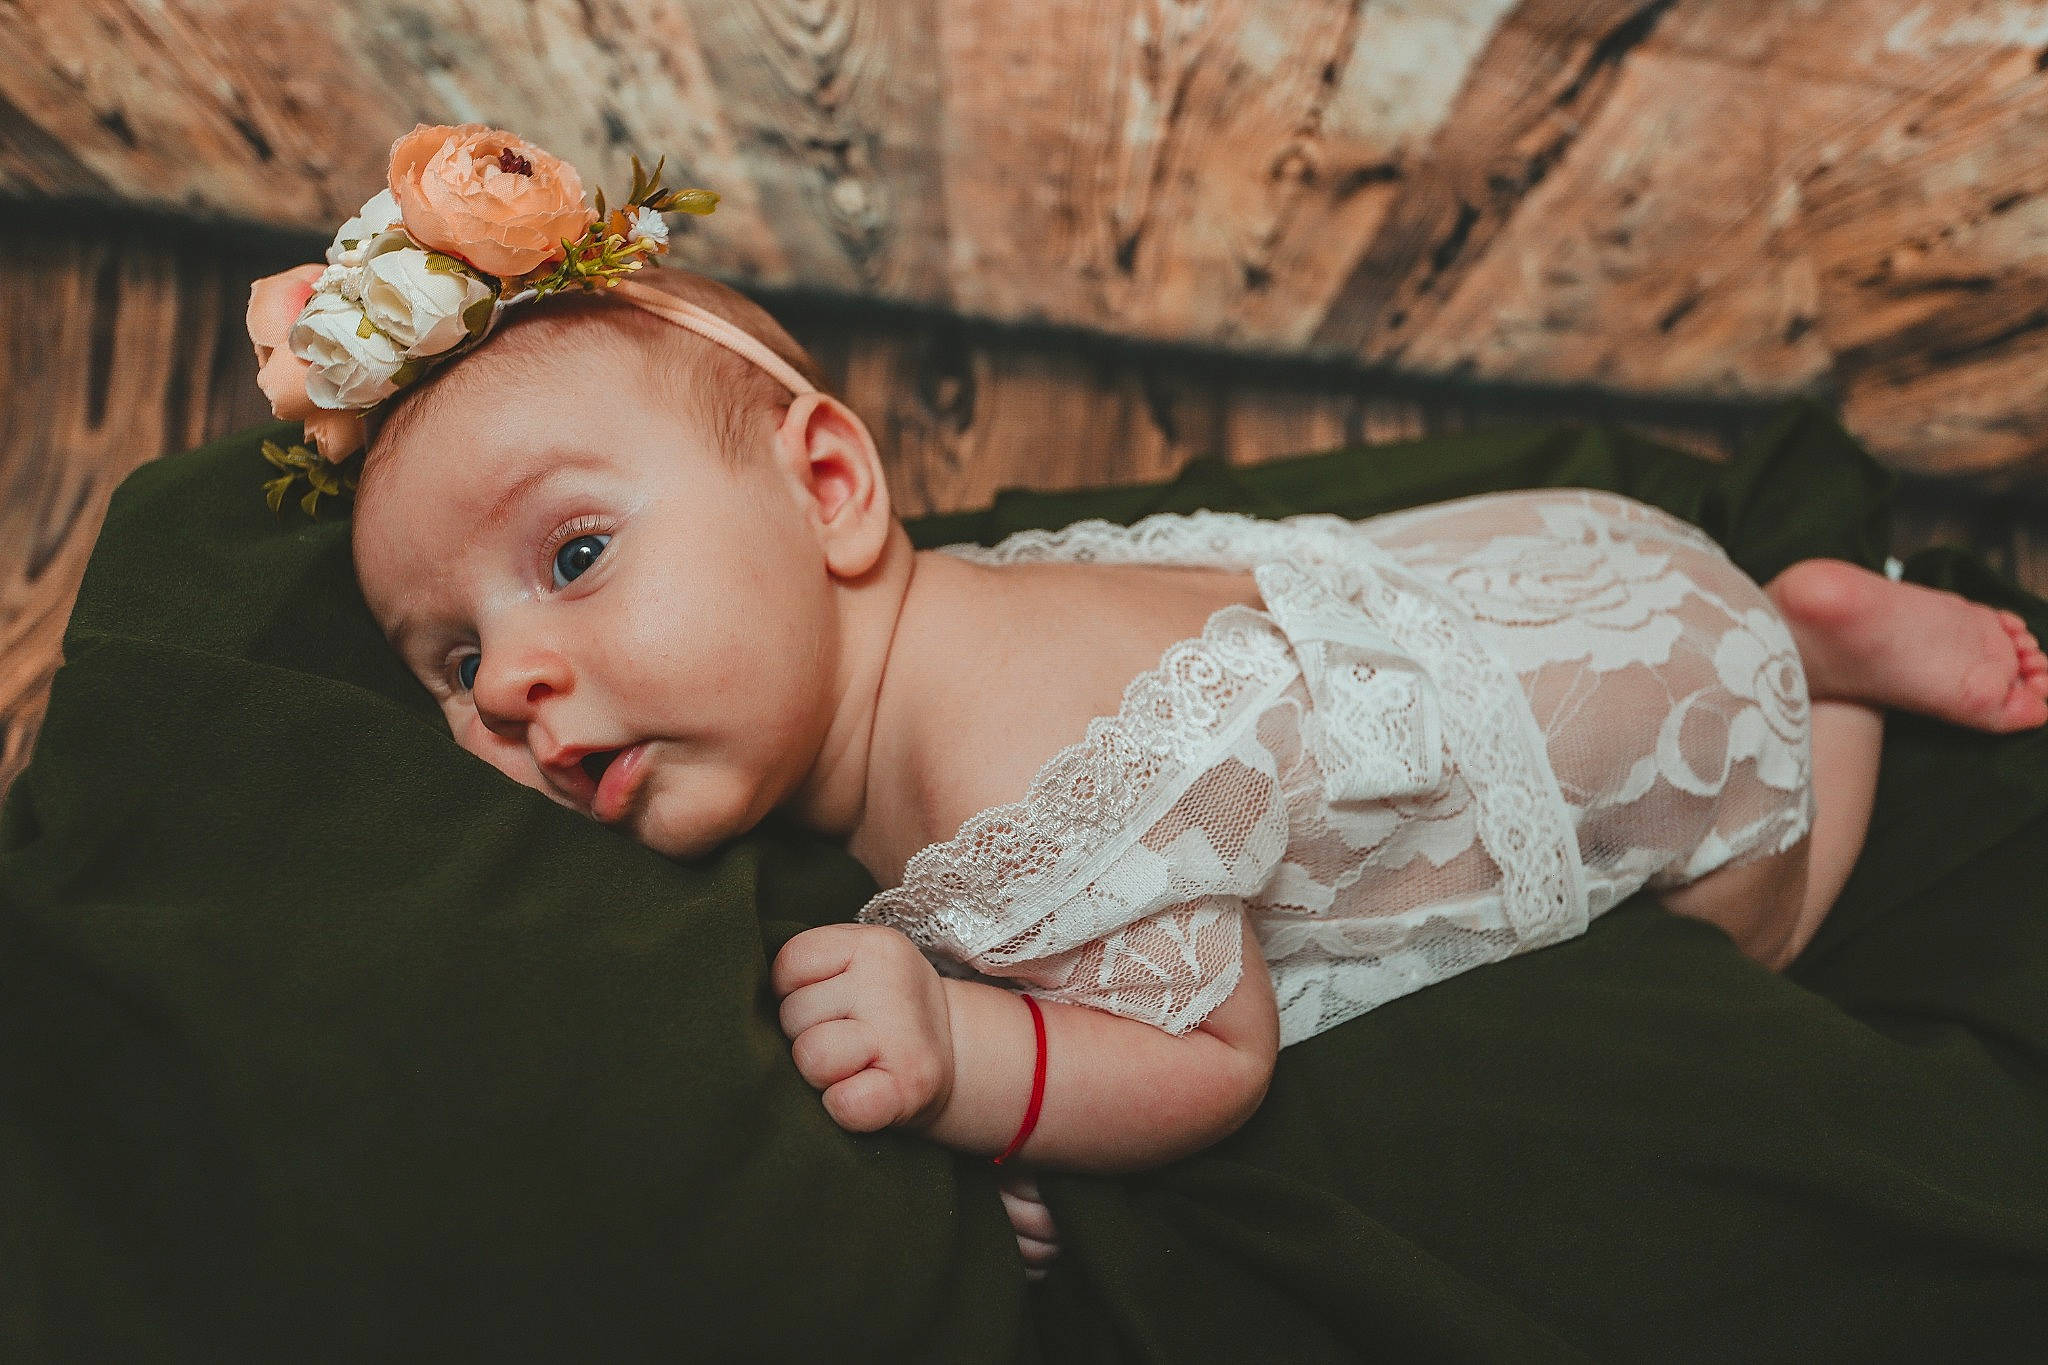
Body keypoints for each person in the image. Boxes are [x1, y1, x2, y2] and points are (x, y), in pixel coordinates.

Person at [253, 125, 2048, 1280]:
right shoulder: (949, 637)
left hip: (1670, 707)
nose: (516, 685)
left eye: (570, 559)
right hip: (1516, 569)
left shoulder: (1021, 771)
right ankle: (1799, 622)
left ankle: (1830, 662)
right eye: (454, 662)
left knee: (1772, 919)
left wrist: (972, 1056)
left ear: (828, 492)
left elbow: (1211, 1057)